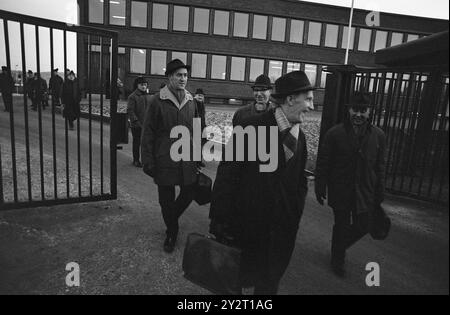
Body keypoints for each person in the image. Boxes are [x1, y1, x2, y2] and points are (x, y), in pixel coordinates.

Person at [209, 71, 315, 294]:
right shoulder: (250, 128)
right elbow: (227, 177)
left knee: (268, 286)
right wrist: (219, 220)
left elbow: (299, 183)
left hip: (280, 236)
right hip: (246, 230)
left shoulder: (301, 138)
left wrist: (294, 215)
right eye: (308, 99)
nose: (312, 106)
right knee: (233, 284)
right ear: (290, 99)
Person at [314, 92, 386, 277]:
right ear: (349, 110)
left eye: (363, 111)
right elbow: (324, 162)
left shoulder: (378, 135)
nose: (359, 115)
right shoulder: (335, 133)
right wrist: (320, 186)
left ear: (370, 112)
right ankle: (337, 261)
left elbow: (380, 166)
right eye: (355, 110)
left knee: (363, 225)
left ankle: (338, 246)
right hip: (341, 190)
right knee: (341, 225)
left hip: (364, 192)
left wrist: (380, 190)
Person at [141, 59, 200, 253]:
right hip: (164, 157)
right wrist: (147, 159)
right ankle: (172, 232)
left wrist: (198, 155)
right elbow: (148, 131)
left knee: (189, 192)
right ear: (169, 77)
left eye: (185, 75)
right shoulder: (157, 100)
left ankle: (171, 218)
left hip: (187, 157)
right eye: (179, 75)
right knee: (165, 199)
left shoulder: (191, 101)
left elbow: (196, 130)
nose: (183, 79)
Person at [127, 76, 149, 167]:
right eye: (141, 85)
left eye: (145, 85)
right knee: (137, 143)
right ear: (137, 85)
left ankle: (145, 161)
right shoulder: (133, 96)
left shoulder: (147, 95)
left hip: (146, 124)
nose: (144, 87)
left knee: (146, 144)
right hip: (137, 125)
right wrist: (136, 121)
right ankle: (136, 160)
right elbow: (130, 110)